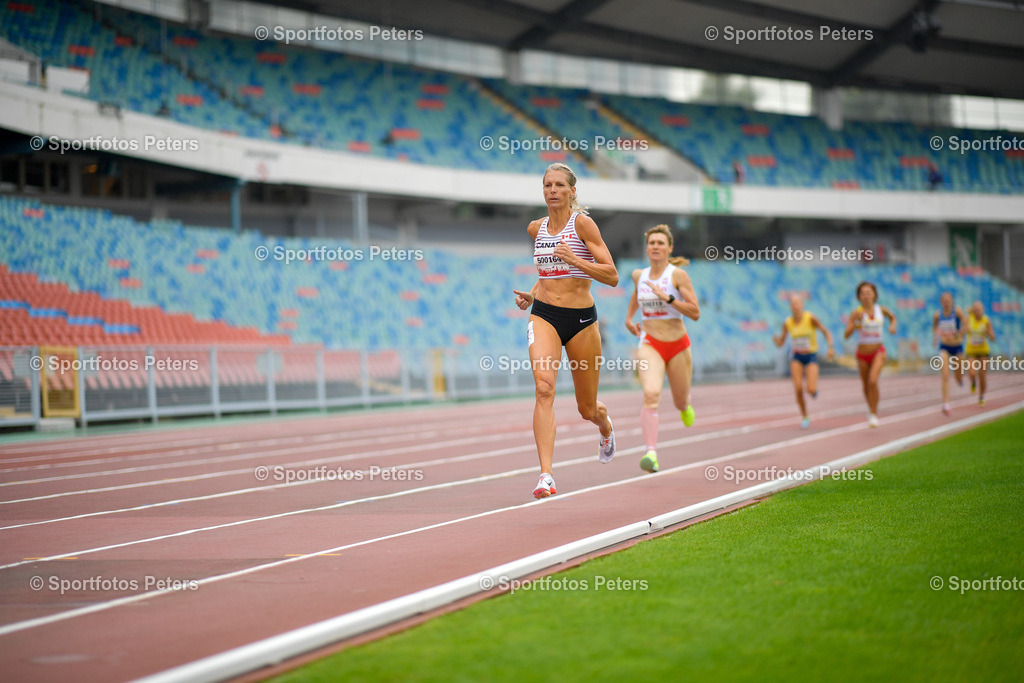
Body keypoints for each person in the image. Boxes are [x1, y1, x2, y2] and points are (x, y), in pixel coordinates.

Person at [513, 163, 619, 499]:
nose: (553, 191)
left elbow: (612, 275)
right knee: (544, 389)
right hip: (543, 314)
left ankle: (605, 427)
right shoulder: (536, 228)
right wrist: (533, 293)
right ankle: (546, 475)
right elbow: (548, 273)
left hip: (581, 322)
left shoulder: (583, 224)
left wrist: (576, 260)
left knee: (586, 409)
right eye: (547, 185)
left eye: (560, 185)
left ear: (573, 191)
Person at [624, 225, 700, 474]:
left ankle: (685, 405)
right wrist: (629, 318)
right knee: (651, 394)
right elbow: (637, 295)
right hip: (650, 343)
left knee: (679, 401)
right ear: (647, 248)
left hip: (678, 345)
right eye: (652, 243)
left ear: (669, 248)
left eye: (660, 243)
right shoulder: (639, 275)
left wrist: (668, 298)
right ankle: (651, 454)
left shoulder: (677, 276)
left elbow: (695, 312)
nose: (655, 246)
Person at [773, 294, 834, 429]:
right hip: (796, 357)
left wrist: (830, 347)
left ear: (802, 305)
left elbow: (826, 332)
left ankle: (813, 391)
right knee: (798, 388)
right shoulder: (788, 322)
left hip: (810, 355)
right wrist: (776, 341)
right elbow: (781, 343)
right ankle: (805, 416)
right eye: (793, 304)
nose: (795, 306)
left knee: (810, 389)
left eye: (798, 303)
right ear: (790, 307)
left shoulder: (810, 318)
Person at [844, 281, 897, 427]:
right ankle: (870, 407)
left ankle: (874, 413)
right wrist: (856, 324)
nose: (866, 296)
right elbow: (846, 335)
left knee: (873, 381)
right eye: (863, 293)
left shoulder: (882, 310)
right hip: (862, 354)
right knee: (866, 384)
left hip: (878, 352)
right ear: (859, 296)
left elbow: (893, 318)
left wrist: (892, 326)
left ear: (874, 294)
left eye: (869, 293)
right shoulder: (857, 313)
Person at [932, 292, 966, 415]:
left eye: (948, 300)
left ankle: (960, 379)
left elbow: (966, 324)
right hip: (944, 346)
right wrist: (936, 337)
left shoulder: (957, 312)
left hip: (957, 346)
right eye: (944, 300)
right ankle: (946, 403)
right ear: (941, 302)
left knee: (958, 374)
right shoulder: (938, 315)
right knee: (945, 375)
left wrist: (960, 334)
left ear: (951, 301)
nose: (946, 302)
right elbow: (935, 326)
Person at [963, 300, 995, 406]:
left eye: (979, 310)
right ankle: (973, 382)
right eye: (975, 310)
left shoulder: (986, 321)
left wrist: (988, 333)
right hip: (971, 351)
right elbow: (963, 331)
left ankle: (981, 396)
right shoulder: (969, 319)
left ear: (983, 310)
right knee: (972, 372)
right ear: (973, 311)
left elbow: (992, 337)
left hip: (983, 351)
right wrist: (964, 330)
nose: (977, 312)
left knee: (982, 375)